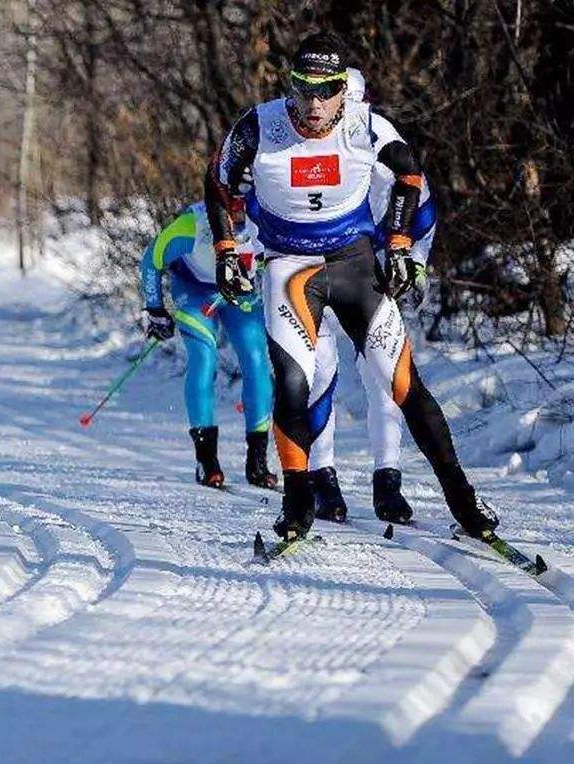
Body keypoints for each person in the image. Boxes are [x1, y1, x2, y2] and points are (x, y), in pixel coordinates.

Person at [203, 32, 498, 540]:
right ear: (290, 86)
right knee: (295, 381)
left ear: (344, 89)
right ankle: (297, 501)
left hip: (354, 264)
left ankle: (464, 501)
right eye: (303, 90)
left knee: (403, 383)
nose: (314, 105)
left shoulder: (367, 126)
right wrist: (227, 250)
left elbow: (410, 176)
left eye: (326, 91)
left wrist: (402, 245)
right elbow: (218, 180)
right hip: (290, 267)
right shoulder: (260, 124)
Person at [306, 67, 436, 524]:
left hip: (373, 273)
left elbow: (423, 215)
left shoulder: (383, 144)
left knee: (384, 377)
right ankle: (322, 481)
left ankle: (388, 483)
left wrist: (415, 266)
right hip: (317, 269)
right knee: (319, 370)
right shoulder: (308, 149)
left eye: (357, 109)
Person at [140, 201, 278, 490]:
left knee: (256, 361)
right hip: (194, 290)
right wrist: (155, 309)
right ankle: (207, 460)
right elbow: (151, 259)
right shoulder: (193, 226)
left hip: (240, 291)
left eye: (244, 209)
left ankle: (258, 460)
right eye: (230, 211)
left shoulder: (265, 215)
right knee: (204, 358)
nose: (239, 217)